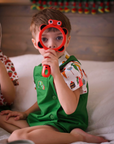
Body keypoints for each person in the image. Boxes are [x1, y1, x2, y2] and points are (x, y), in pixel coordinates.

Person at [0, 8, 108, 144]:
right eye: (44, 39)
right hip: (46, 120)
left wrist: (56, 72)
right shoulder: (40, 69)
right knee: (2, 118)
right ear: (35, 43)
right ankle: (40, 132)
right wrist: (25, 113)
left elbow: (69, 109)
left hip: (66, 123)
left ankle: (77, 137)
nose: (51, 44)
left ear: (67, 41)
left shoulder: (72, 68)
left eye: (58, 38)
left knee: (17, 136)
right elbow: (45, 99)